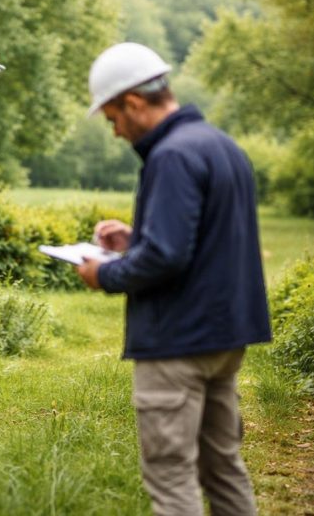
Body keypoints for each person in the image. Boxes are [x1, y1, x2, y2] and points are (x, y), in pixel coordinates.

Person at [75, 42, 272, 516]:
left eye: (113, 119)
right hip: (225, 339)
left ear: (135, 103)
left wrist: (105, 273)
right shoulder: (221, 146)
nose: (118, 132)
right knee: (224, 468)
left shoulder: (170, 156)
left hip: (178, 341)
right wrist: (134, 238)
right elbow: (204, 240)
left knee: (170, 473)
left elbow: (165, 258)